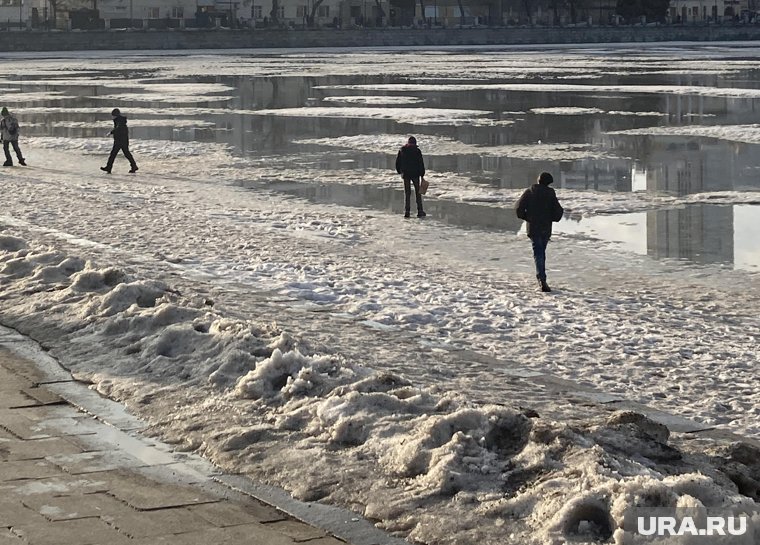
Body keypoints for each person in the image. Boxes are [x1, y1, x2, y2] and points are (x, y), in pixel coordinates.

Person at [515, 172, 564, 292]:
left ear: (539, 180)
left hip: (533, 228)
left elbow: (518, 208)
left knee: (538, 253)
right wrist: (550, 218)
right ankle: (542, 278)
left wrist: (528, 218)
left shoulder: (530, 191)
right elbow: (558, 212)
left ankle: (541, 279)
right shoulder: (550, 193)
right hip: (545, 228)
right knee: (541, 252)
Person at [395, 136, 426, 218]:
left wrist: (400, 171)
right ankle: (420, 210)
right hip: (415, 174)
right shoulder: (417, 151)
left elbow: (398, 162)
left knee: (407, 193)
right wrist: (422, 174)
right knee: (418, 193)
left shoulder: (402, 150)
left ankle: (407, 212)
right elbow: (421, 163)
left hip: (406, 174)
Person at [101, 108, 138, 174]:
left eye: (113, 115)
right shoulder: (119, 120)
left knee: (115, 154)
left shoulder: (120, 121)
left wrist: (111, 132)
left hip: (121, 140)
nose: (112, 117)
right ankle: (133, 166)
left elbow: (119, 128)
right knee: (125, 154)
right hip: (121, 140)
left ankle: (109, 167)